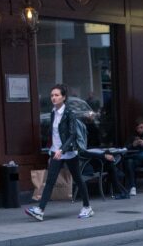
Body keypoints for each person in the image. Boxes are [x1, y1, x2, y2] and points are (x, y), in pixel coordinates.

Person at [26, 84, 93, 221]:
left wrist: (62, 149)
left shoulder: (69, 113)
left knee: (78, 179)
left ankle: (87, 207)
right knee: (50, 181)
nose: (53, 98)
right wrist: (52, 149)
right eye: (52, 95)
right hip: (55, 152)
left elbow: (72, 135)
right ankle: (40, 210)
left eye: (56, 95)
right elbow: (54, 133)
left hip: (68, 153)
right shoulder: (52, 112)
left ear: (63, 97)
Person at [113, 117, 143, 198]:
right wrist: (133, 145)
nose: (139, 130)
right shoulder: (133, 135)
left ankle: (125, 158)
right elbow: (124, 148)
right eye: (137, 128)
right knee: (129, 161)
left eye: (141, 127)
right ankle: (133, 187)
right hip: (136, 160)